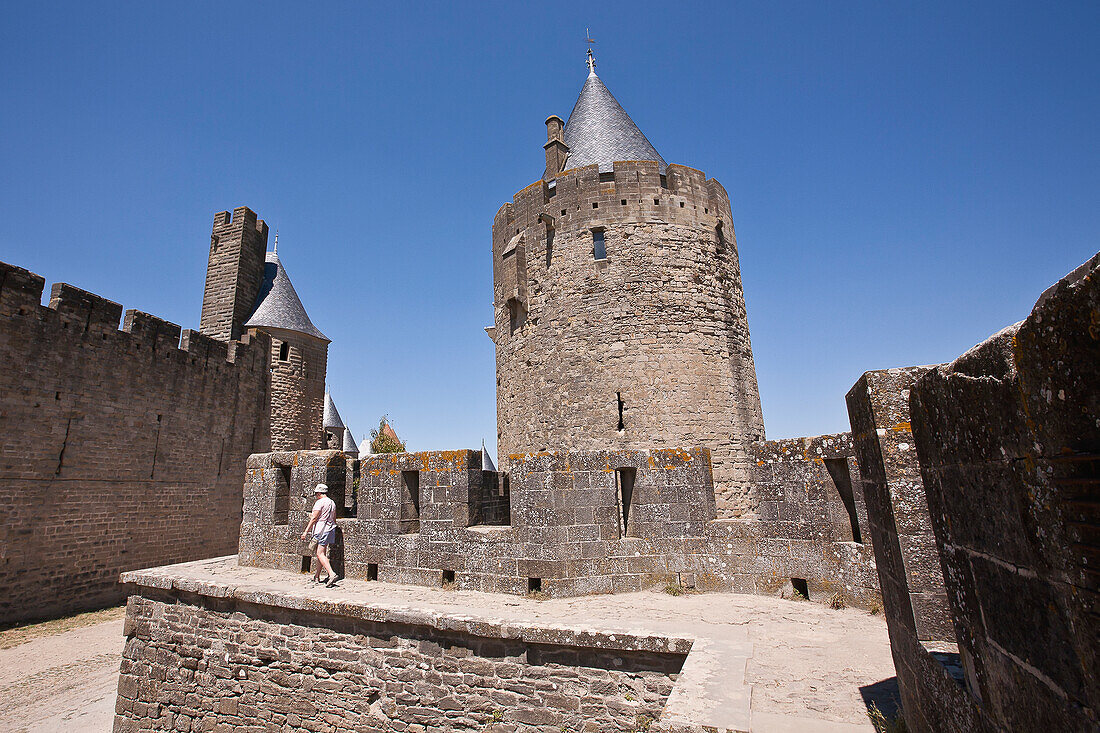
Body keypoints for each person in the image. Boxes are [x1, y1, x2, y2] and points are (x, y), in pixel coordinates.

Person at [301, 483, 341, 587]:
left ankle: (332, 574)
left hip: (320, 530)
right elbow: (334, 518)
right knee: (321, 552)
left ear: (318, 493)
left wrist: (306, 531)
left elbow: (314, 518)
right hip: (330, 529)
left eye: (316, 494)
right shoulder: (332, 503)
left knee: (320, 554)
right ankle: (317, 576)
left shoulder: (320, 502)